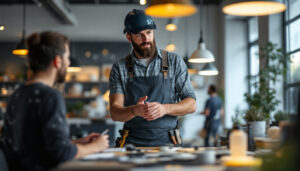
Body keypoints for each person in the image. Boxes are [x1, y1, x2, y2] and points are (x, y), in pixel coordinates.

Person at [0, 31, 109, 171]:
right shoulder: (50, 96)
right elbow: (60, 154)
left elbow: (32, 145)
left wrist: (74, 143)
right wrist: (96, 146)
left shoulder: (17, 94)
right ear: (57, 61)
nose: (69, 63)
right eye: (67, 57)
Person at [109, 9, 196, 147]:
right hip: (132, 144)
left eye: (149, 33)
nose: (146, 39)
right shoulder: (120, 68)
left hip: (168, 143)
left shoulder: (174, 62)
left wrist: (165, 109)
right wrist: (134, 110)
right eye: (139, 35)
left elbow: (191, 104)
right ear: (129, 37)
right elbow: (115, 112)